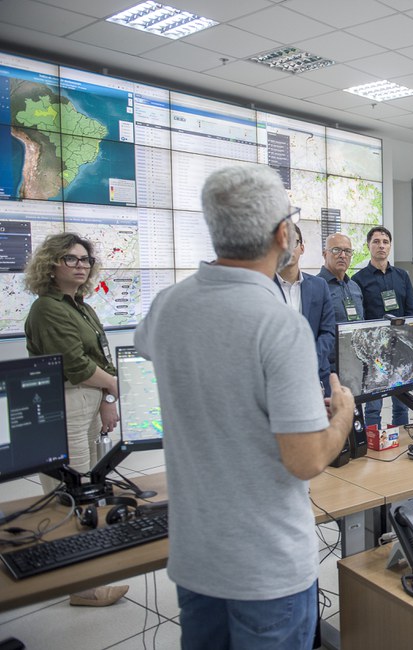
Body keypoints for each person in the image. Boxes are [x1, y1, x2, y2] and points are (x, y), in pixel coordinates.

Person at [135, 165, 354, 648]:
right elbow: (307, 459)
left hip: (196, 557)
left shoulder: (167, 306)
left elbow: (192, 365)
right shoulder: (279, 324)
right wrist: (342, 414)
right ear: (283, 235)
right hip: (266, 567)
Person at [23, 233, 128, 608]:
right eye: (70, 259)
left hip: (88, 396)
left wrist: (109, 397)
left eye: (85, 259)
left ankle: (85, 573)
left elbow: (100, 357)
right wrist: (118, 387)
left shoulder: (80, 305)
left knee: (85, 485)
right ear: (50, 265)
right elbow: (76, 365)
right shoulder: (47, 309)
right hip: (65, 402)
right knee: (68, 492)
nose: (81, 265)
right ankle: (78, 584)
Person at [352, 226, 413, 430]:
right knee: (373, 406)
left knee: (402, 404)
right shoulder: (358, 279)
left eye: (385, 242)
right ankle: (373, 445)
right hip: (375, 352)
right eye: (376, 241)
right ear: (368, 245)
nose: (381, 245)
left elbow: (411, 311)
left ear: (390, 246)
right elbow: (360, 318)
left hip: (400, 348)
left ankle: (403, 439)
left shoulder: (402, 276)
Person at [274, 224, 337, 391]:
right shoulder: (263, 287)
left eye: (292, 242)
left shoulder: (319, 286)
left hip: (317, 376)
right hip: (277, 379)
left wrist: (309, 359)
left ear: (302, 248)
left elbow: (328, 332)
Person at [319, 232, 364, 369]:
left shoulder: (354, 287)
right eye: (336, 250)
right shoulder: (316, 287)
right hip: (330, 368)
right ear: (325, 254)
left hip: (357, 363)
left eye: (347, 251)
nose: (343, 255)